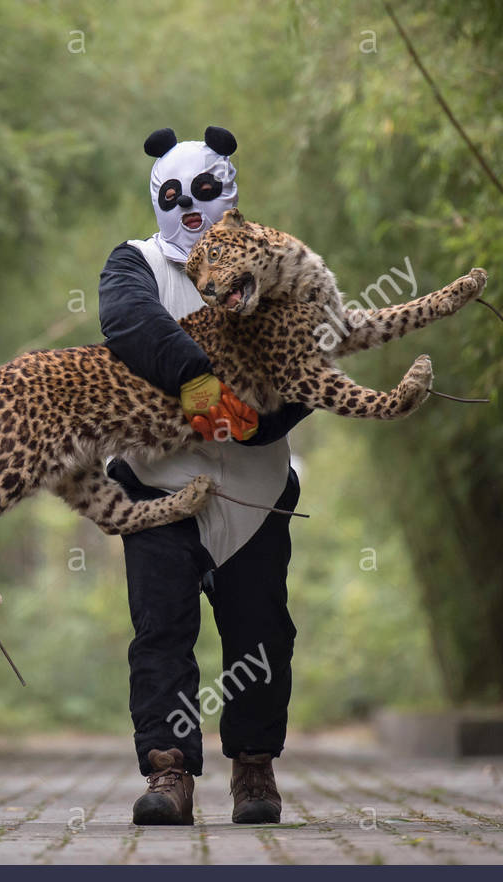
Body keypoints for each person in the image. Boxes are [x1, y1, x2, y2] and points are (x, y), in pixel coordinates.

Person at [98, 126, 311, 825]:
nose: (190, 209)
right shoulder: (135, 262)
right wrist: (195, 377)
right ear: (154, 199)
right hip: (159, 485)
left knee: (262, 631)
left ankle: (253, 767)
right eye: (174, 195)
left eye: (206, 192)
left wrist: (256, 421)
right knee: (160, 629)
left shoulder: (275, 260)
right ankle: (168, 770)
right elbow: (126, 322)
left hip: (254, 486)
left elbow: (309, 359)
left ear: (232, 192)